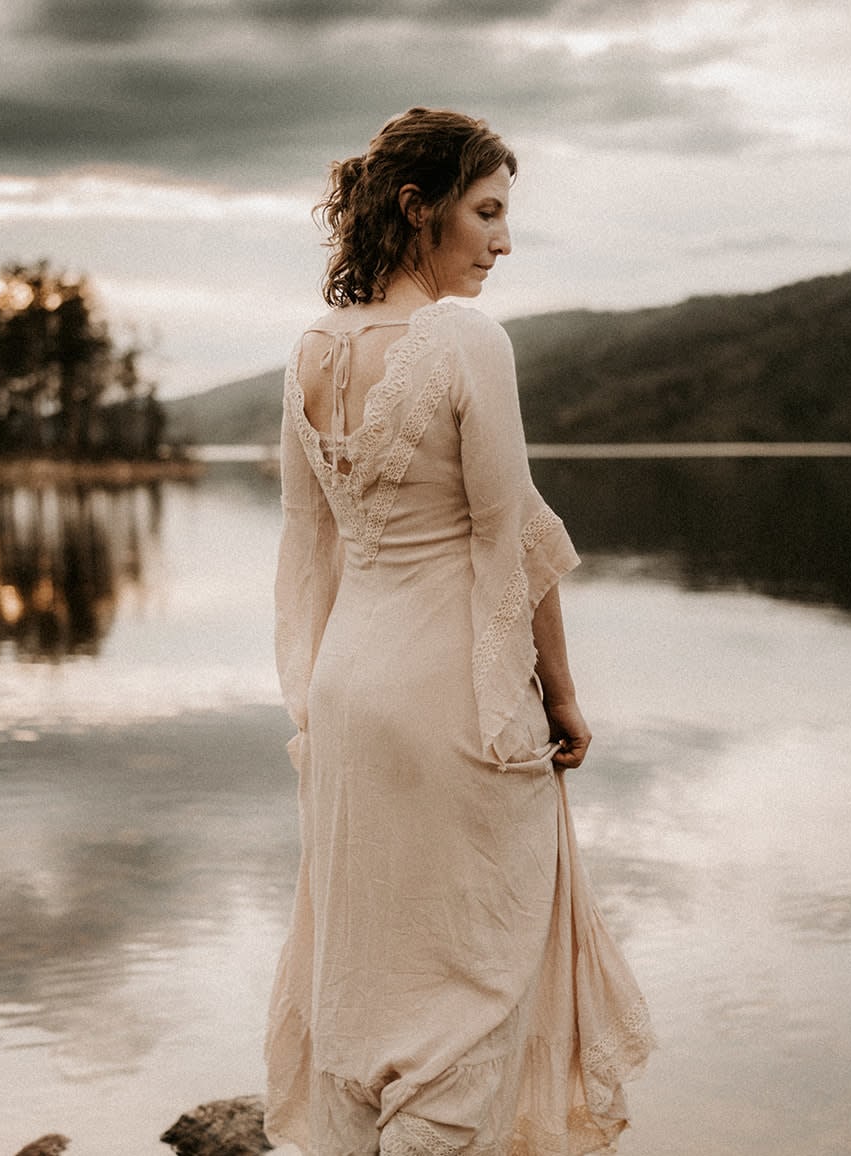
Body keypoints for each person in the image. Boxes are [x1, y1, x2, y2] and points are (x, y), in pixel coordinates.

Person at [266, 107, 653, 1156]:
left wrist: (310, 688)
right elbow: (512, 539)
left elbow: (309, 549)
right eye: (486, 212)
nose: (501, 240)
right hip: (446, 695)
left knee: (368, 954)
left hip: (349, 687)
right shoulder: (464, 340)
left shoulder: (310, 348)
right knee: (478, 963)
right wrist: (559, 695)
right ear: (415, 208)